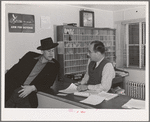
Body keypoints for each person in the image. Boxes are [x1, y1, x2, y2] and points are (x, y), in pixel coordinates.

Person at [5, 37, 60, 108]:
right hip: (14, 87)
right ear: (42, 51)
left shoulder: (55, 65)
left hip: (28, 92)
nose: (51, 53)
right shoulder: (30, 56)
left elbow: (49, 83)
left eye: (52, 51)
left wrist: (32, 88)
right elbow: (14, 70)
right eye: (48, 51)